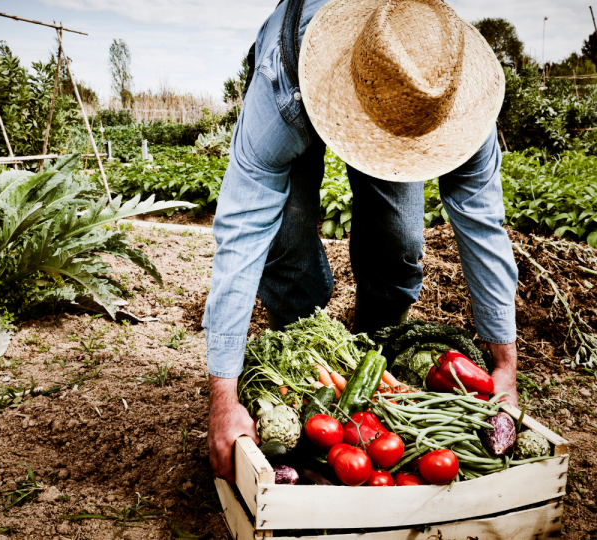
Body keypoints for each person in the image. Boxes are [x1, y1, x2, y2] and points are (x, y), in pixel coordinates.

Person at [203, 0, 519, 483]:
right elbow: (242, 229)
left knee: (399, 242)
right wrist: (222, 399)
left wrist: (505, 368)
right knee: (286, 245)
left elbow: (483, 228)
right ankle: (305, 360)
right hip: (302, 83)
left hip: (402, 102)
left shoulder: (446, 91)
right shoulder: (280, 87)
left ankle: (374, 356)